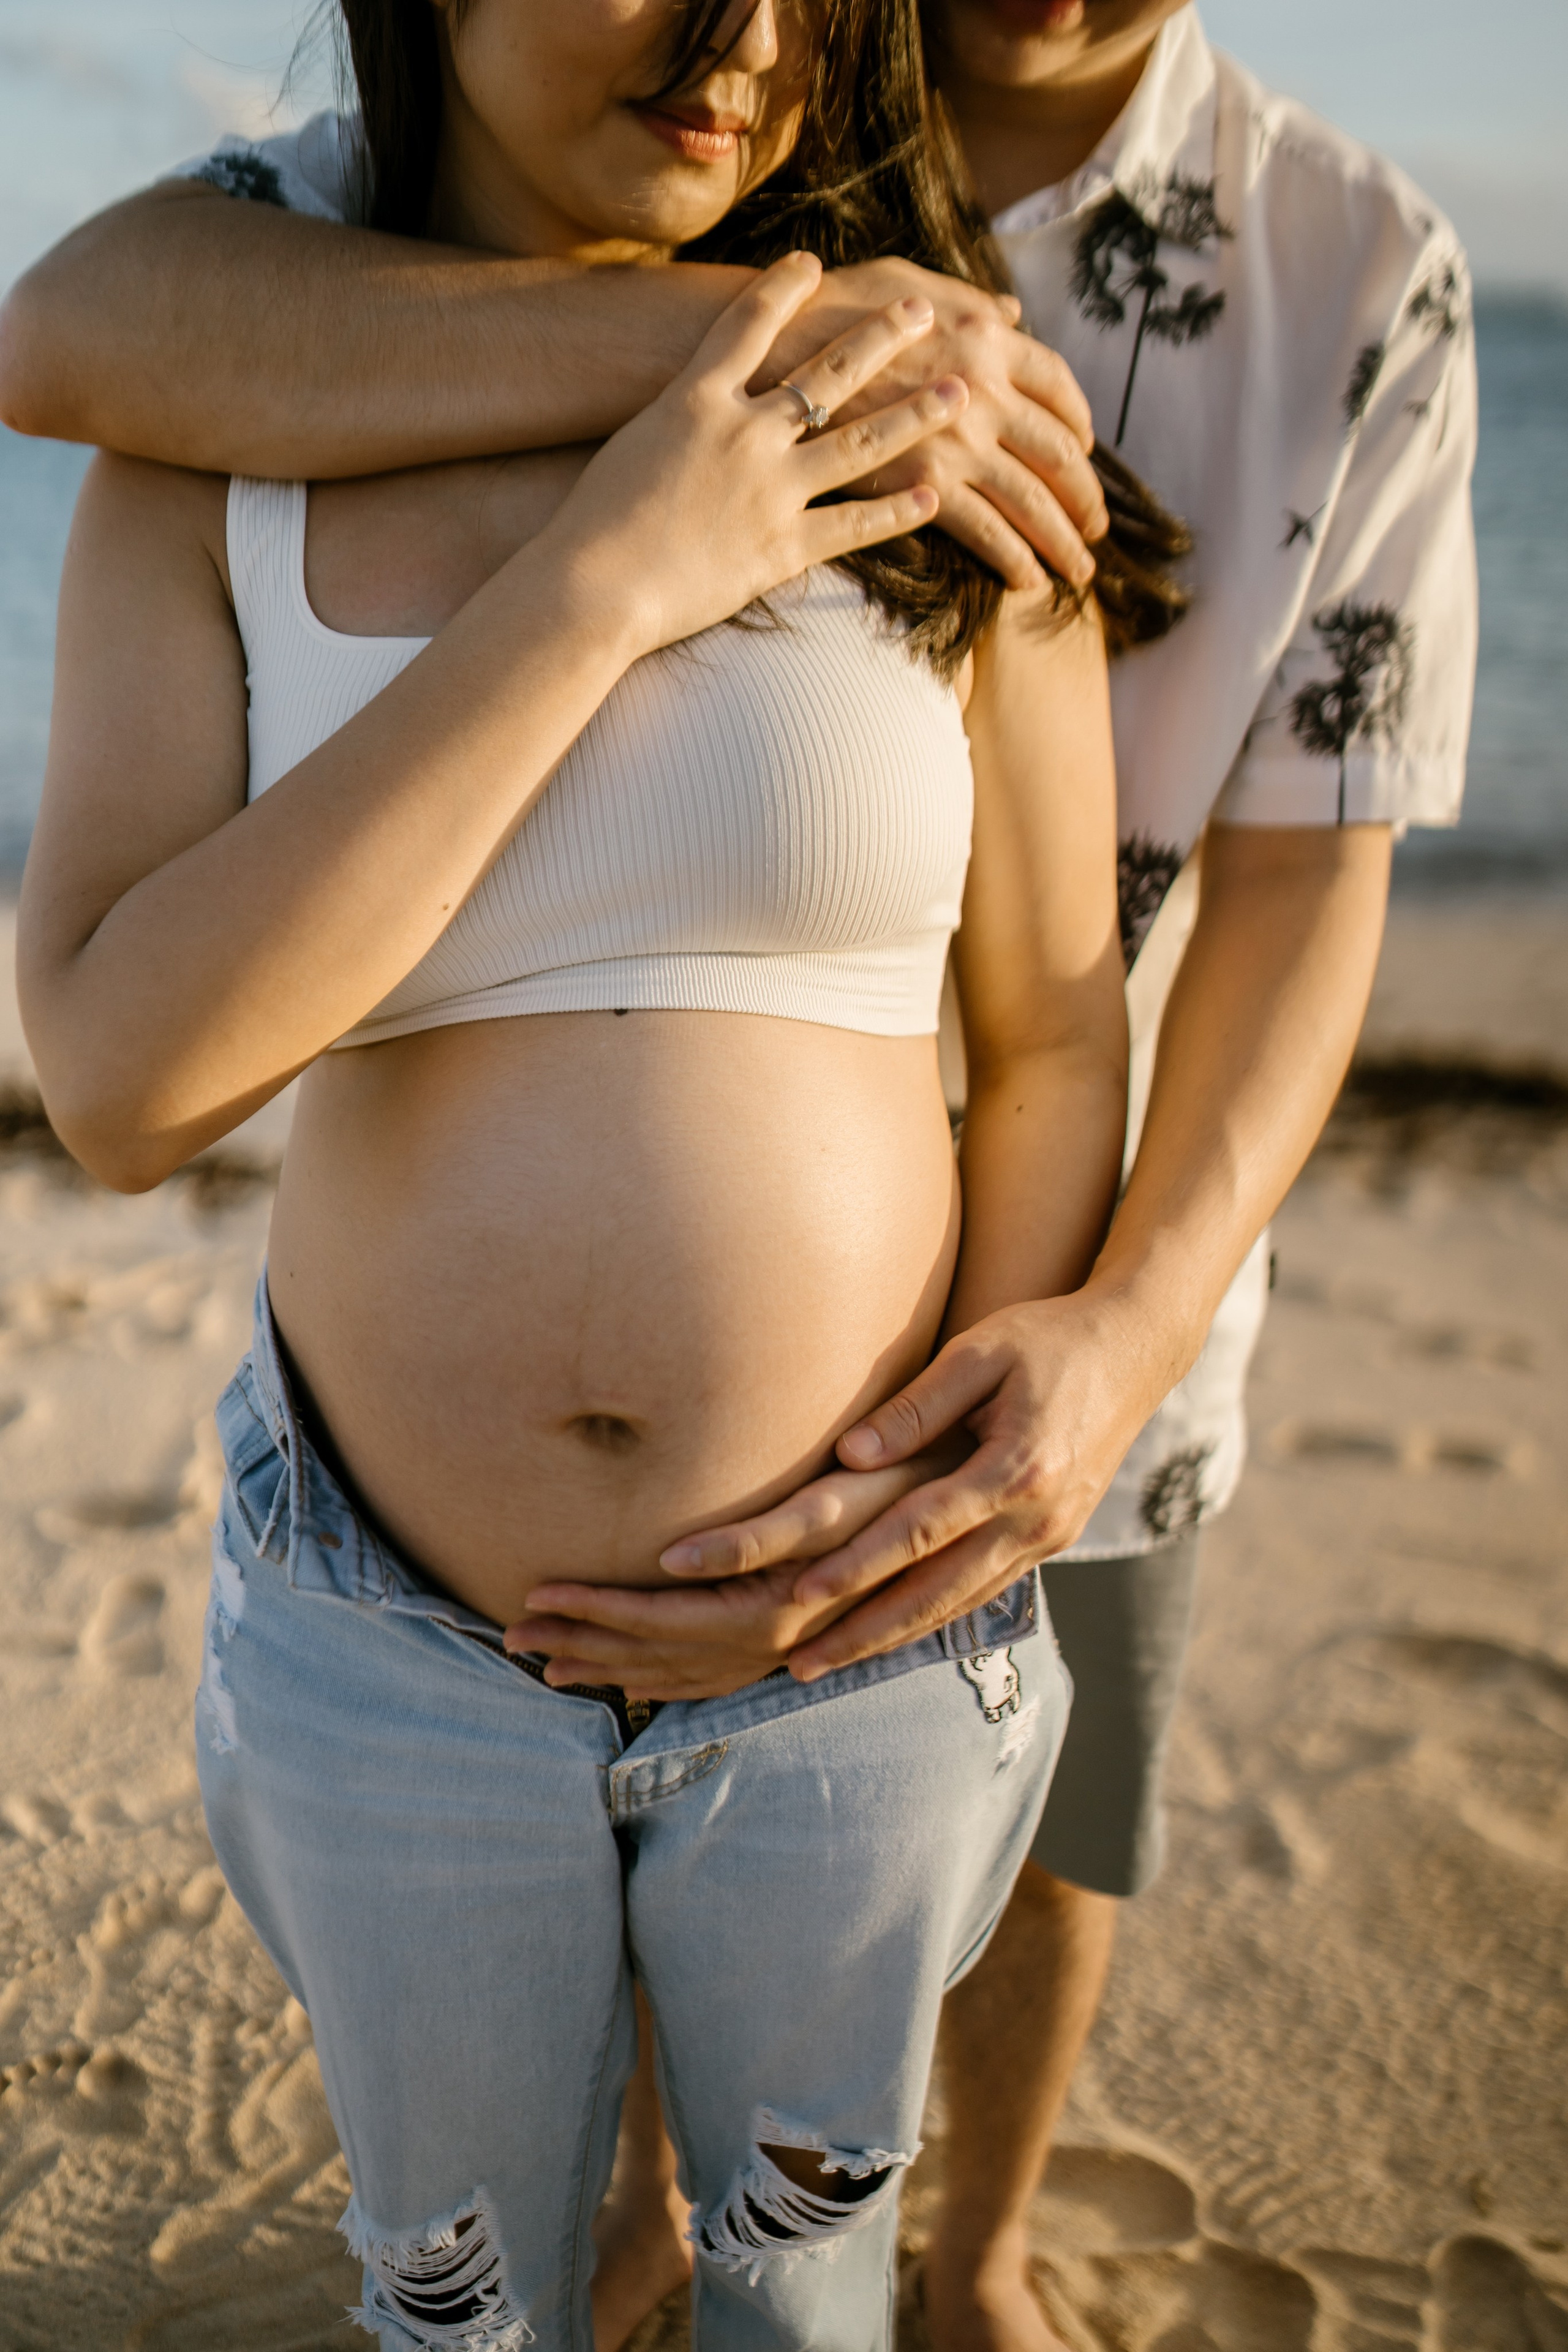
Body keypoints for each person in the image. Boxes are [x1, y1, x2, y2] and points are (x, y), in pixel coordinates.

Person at [0, 1, 1479, 2346]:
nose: (739, 37)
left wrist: (909, 1527)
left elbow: (1062, 1019)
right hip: (395, 1645)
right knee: (459, 2301)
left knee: (815, 2297)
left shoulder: (961, 430)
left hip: (847, 1658)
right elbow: (123, 1089)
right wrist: (611, 567)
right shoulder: (220, 429)